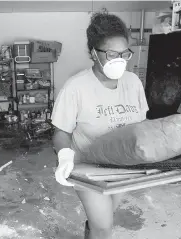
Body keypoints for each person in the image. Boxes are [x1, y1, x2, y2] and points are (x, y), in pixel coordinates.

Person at [51, 11, 149, 239]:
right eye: (112, 54)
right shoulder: (76, 87)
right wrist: (65, 157)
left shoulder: (133, 83)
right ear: (94, 54)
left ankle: (92, 230)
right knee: (104, 227)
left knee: (104, 218)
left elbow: (142, 125)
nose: (120, 60)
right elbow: (61, 131)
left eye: (125, 53)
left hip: (124, 166)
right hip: (89, 167)